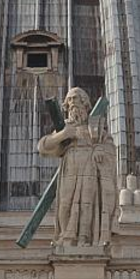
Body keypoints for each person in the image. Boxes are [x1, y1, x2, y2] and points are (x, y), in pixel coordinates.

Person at [38, 88, 116, 247]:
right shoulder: (65, 128)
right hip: (70, 169)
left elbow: (110, 148)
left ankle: (83, 239)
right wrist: (64, 134)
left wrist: (100, 149)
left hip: (90, 169)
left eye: (77, 101)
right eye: (70, 102)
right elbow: (43, 147)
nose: (74, 105)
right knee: (65, 204)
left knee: (87, 204)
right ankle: (65, 235)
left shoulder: (96, 128)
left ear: (86, 105)